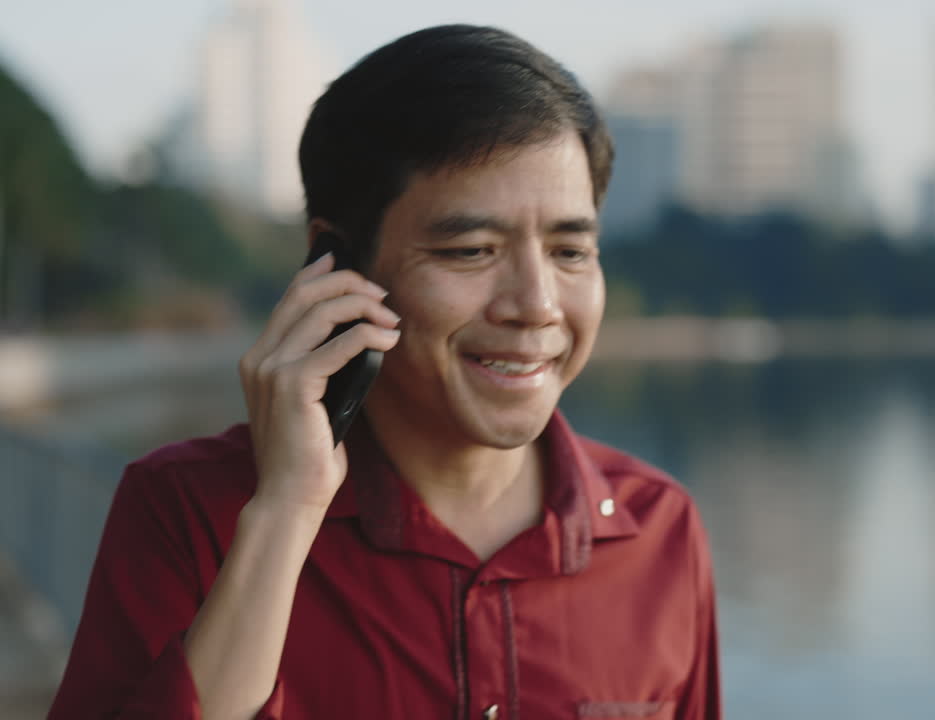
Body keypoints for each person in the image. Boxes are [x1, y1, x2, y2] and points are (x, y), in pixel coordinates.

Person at [48, 24, 720, 720]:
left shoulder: (660, 529)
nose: (538, 305)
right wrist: (284, 513)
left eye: (570, 252)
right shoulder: (184, 511)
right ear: (334, 265)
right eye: (471, 250)